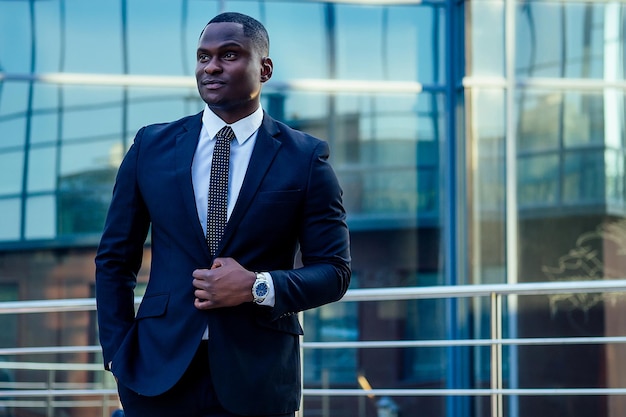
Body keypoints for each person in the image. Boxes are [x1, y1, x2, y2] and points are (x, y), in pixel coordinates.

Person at [95, 11, 351, 417]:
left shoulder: (305, 158)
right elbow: (114, 260)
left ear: (263, 69)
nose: (211, 67)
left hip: (258, 377)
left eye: (229, 55)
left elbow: (334, 271)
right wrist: (117, 353)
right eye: (203, 57)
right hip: (156, 372)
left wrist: (257, 285)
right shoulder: (150, 146)